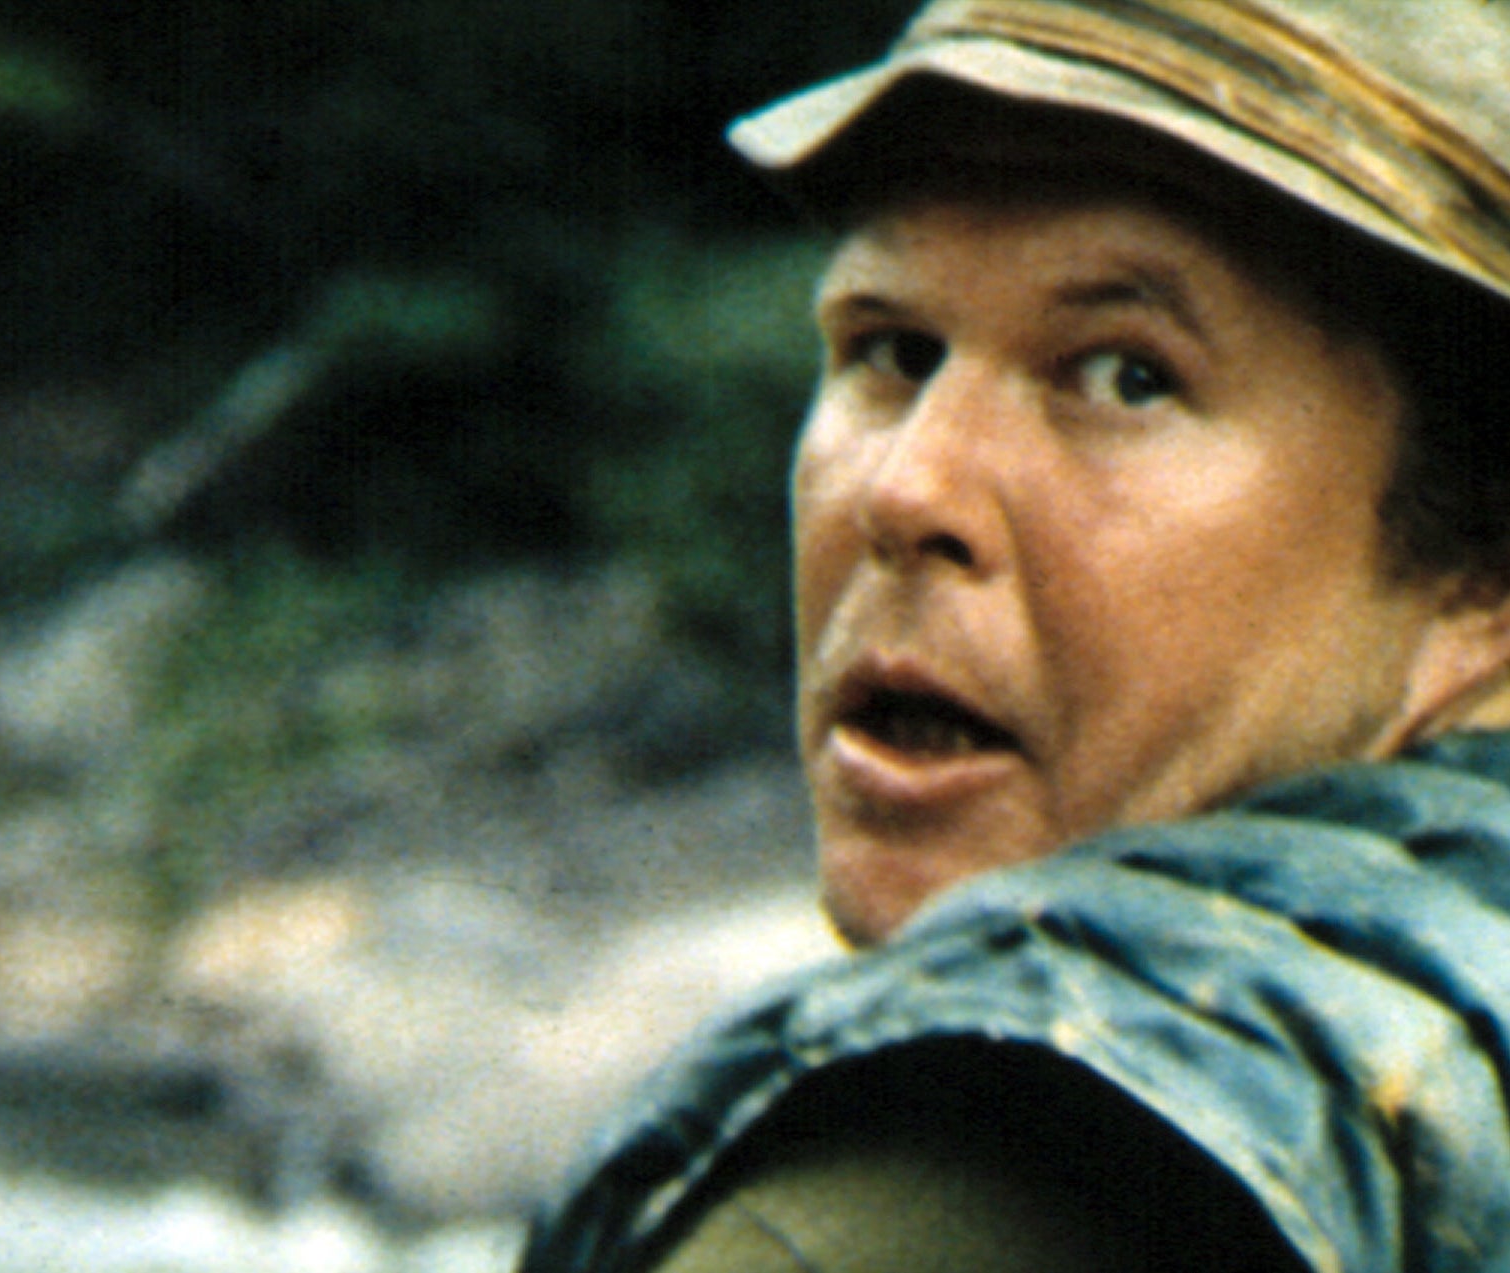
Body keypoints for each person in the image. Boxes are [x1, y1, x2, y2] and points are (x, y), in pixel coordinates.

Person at [521, 2, 1510, 1270]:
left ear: (1477, 564)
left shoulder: (938, 1201)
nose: (904, 491)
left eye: (1122, 376)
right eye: (891, 349)